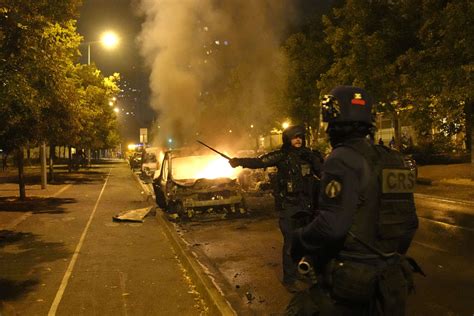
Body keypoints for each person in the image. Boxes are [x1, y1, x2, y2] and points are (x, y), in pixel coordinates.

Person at [286, 86, 421, 315]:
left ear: (333, 122)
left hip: (351, 285)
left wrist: (299, 240)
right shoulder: (393, 159)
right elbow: (409, 223)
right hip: (390, 283)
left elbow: (332, 226)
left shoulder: (341, 158)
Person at [228, 125, 323, 293]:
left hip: (307, 207)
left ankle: (304, 272)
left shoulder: (309, 156)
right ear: (288, 140)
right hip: (288, 207)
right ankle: (290, 279)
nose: (298, 140)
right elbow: (260, 161)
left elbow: (323, 172)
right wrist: (239, 161)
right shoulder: (282, 156)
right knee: (290, 244)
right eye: (295, 137)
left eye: (300, 137)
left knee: (306, 242)